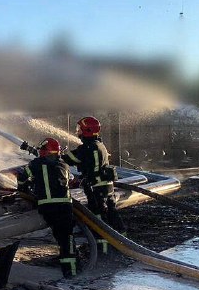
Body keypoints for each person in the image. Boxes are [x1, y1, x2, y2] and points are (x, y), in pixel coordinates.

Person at [62, 116, 125, 254]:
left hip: (96, 188)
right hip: (107, 186)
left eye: (80, 129)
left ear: (87, 130)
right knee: (112, 214)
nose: (77, 132)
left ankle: (103, 251)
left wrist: (57, 156)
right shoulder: (100, 145)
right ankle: (122, 243)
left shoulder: (87, 148)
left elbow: (68, 160)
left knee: (98, 219)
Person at [17, 138, 78, 278]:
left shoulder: (35, 164)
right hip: (66, 206)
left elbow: (22, 177)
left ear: (44, 151)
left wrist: (23, 188)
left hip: (48, 206)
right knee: (67, 237)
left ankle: (68, 272)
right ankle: (72, 269)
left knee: (60, 236)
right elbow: (68, 179)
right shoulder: (64, 165)